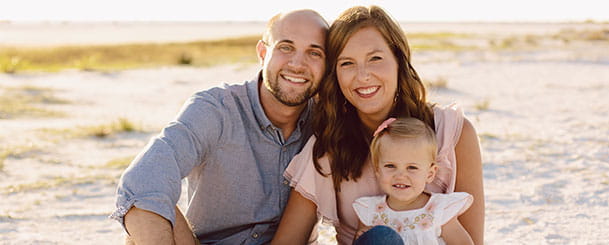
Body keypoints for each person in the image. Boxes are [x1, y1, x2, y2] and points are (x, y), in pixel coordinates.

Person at [110, 9, 328, 244]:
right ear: (263, 53)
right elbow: (143, 178)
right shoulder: (216, 109)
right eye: (285, 47)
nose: (298, 64)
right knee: (148, 206)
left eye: (314, 53)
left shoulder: (327, 122)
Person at [272, 5, 484, 245]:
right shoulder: (328, 147)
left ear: (398, 61)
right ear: (335, 75)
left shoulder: (451, 132)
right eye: (347, 63)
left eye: (375, 58)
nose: (363, 76)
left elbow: (473, 240)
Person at [352, 117, 474, 245]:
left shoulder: (438, 211)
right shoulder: (371, 211)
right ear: (377, 170)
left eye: (412, 167)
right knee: (381, 235)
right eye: (390, 166)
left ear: (430, 173)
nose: (400, 175)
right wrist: (361, 237)